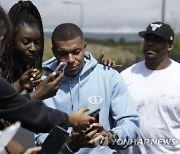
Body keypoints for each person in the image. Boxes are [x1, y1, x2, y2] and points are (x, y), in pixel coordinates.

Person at [0, 4, 94, 153]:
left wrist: (19, 85)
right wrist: (72, 119)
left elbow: (7, 103)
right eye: (26, 42)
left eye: (37, 42)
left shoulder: (22, 71)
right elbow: (18, 110)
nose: (33, 48)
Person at [35, 23, 139, 154]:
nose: (71, 59)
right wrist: (70, 144)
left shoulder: (109, 76)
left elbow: (131, 125)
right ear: (54, 51)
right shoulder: (44, 86)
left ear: (84, 47)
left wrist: (110, 137)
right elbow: (40, 137)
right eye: (63, 53)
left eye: (76, 52)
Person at [120, 21, 180, 154]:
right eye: (147, 39)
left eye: (157, 40)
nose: (150, 43)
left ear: (169, 46)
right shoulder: (126, 76)